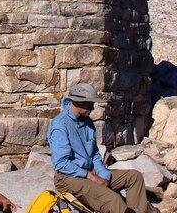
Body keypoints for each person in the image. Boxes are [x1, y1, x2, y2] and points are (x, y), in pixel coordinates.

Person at [48, 82, 154, 213]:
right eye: (89, 103)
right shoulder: (60, 125)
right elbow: (61, 163)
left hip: (90, 172)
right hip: (68, 178)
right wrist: (91, 177)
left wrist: (103, 174)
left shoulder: (88, 122)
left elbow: (94, 154)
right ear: (77, 102)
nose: (92, 107)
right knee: (113, 199)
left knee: (134, 177)